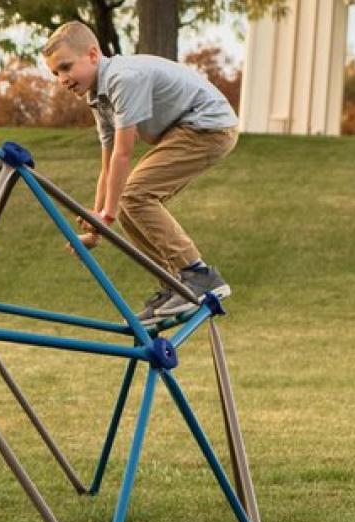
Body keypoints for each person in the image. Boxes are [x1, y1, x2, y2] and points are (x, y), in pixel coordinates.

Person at [42, 20, 238, 323]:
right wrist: (96, 228)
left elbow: (123, 153)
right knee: (126, 201)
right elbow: (107, 165)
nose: (62, 79)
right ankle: (175, 285)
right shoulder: (97, 98)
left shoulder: (122, 79)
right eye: (55, 73)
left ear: (93, 55)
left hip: (208, 126)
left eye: (67, 67)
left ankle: (198, 275)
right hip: (185, 129)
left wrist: (105, 216)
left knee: (134, 195)